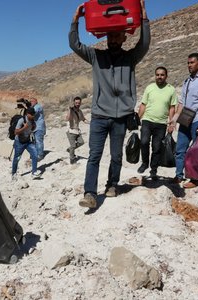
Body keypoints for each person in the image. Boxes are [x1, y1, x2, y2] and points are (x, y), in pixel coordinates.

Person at [69, 0, 150, 207]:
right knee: (94, 156)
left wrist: (143, 15)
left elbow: (145, 44)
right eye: (110, 35)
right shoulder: (96, 56)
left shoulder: (131, 58)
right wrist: (75, 21)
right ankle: (89, 194)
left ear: (124, 37)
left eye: (117, 35)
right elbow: (75, 45)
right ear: (106, 37)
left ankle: (112, 184)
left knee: (116, 155)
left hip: (121, 117)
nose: (113, 38)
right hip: (99, 117)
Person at [170, 53, 198, 189]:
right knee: (180, 149)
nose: (189, 65)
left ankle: (195, 179)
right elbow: (182, 102)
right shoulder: (187, 81)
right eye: (188, 63)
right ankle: (179, 175)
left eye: (192, 62)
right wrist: (175, 119)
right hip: (185, 118)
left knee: (197, 151)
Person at [137, 66, 177, 179]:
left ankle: (153, 169)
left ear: (166, 76)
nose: (159, 77)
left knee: (157, 147)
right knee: (144, 142)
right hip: (147, 120)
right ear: (155, 76)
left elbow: (172, 107)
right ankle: (144, 163)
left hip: (161, 123)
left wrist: (171, 122)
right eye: (157, 75)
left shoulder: (171, 89)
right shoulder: (149, 88)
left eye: (162, 75)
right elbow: (143, 104)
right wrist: (137, 118)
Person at [11, 107, 42, 180]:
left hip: (28, 141)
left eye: (33, 114)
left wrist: (33, 127)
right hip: (19, 142)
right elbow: (16, 132)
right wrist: (24, 127)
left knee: (35, 154)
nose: (33, 116)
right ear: (27, 114)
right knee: (17, 158)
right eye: (32, 115)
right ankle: (14, 173)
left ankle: (34, 172)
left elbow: (32, 129)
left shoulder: (32, 120)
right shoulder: (22, 120)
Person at [66, 96, 88, 164]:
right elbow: (67, 118)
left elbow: (83, 119)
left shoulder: (79, 111)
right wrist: (69, 109)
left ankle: (70, 150)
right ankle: (72, 159)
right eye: (76, 103)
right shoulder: (71, 110)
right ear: (74, 103)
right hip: (71, 130)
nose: (77, 104)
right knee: (73, 146)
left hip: (77, 131)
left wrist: (90, 122)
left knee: (81, 142)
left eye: (79, 103)